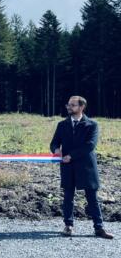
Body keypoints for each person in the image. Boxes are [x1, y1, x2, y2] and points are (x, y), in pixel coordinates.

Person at [49, 96, 114, 239]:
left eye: (72, 105)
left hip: (86, 167)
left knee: (92, 198)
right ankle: (68, 225)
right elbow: (54, 143)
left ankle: (99, 228)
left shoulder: (92, 125)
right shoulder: (62, 125)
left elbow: (90, 145)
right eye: (68, 104)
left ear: (81, 107)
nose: (69, 107)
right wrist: (56, 150)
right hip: (68, 166)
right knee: (68, 197)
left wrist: (71, 155)